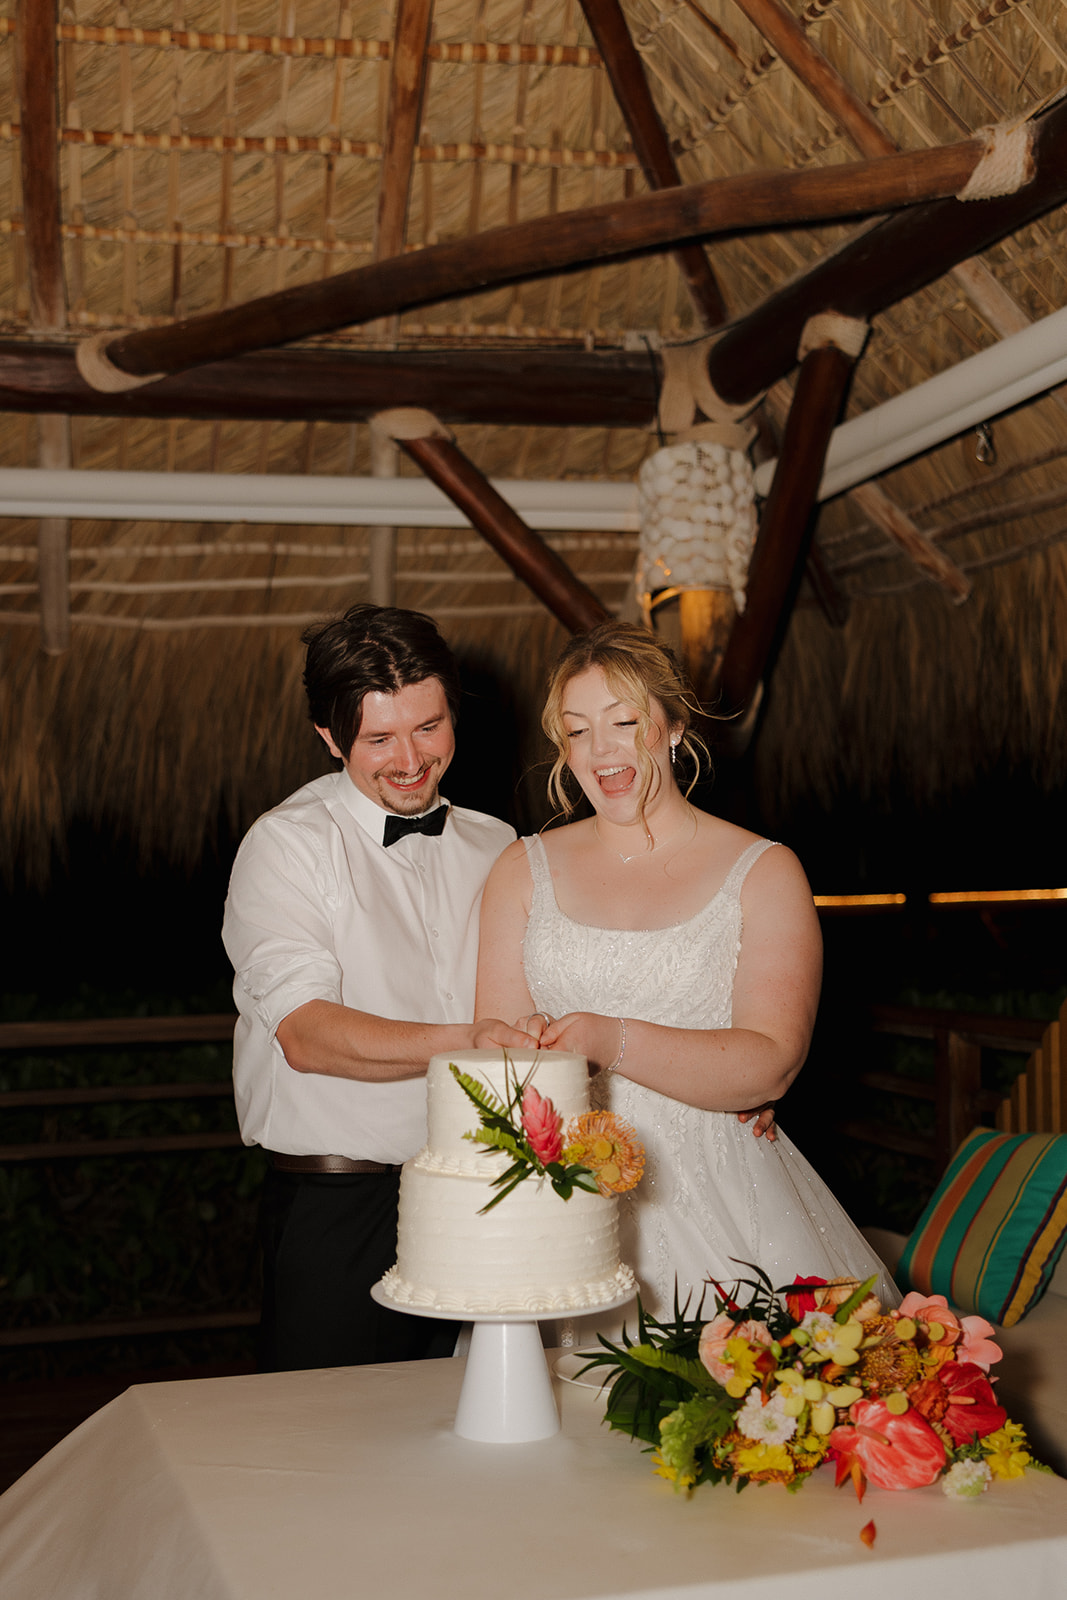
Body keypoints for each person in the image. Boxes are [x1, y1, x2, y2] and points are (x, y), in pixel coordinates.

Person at [476, 619, 897, 1344]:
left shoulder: (763, 871)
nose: (600, 750)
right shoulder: (520, 868)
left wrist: (611, 1040)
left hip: (723, 1192)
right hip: (566, 1199)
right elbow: (497, 1049)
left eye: (623, 721)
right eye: (577, 731)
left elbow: (770, 1062)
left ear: (671, 725)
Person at [222, 603, 533, 1371]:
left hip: (484, 1194)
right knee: (330, 1450)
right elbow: (306, 1034)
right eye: (379, 739)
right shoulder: (285, 845)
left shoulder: (499, 844)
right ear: (329, 738)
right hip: (342, 1209)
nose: (410, 760)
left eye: (428, 728)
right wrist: (469, 1042)